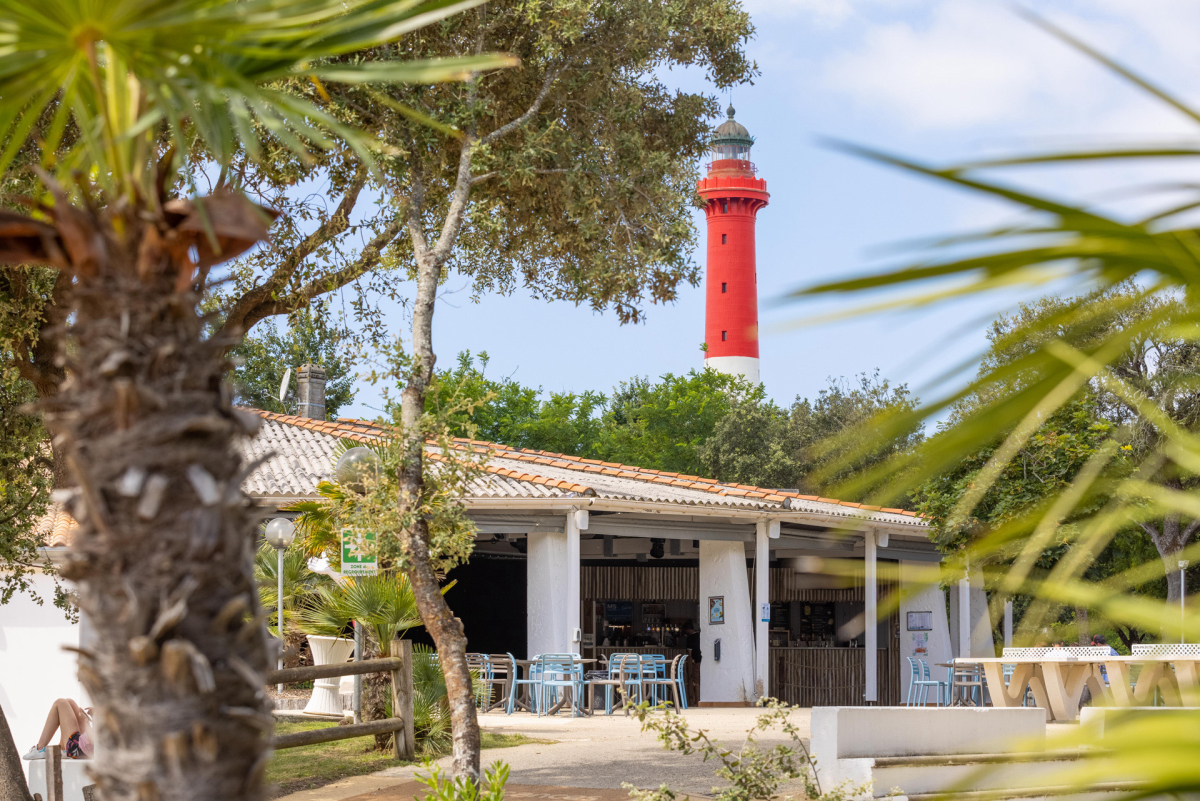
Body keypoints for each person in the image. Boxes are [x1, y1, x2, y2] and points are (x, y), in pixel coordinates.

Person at [22, 698, 93, 760]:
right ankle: (63, 749)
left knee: (60, 702)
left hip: (78, 749)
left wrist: (86, 721)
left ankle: (39, 748)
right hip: (87, 745)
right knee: (70, 702)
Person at [683, 621, 701, 705]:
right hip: (703, 661)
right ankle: (699, 700)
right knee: (701, 681)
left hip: (695, 662)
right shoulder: (701, 635)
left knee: (695, 682)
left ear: (688, 630)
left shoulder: (690, 639)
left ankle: (697, 701)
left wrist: (689, 662)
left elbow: (689, 654)